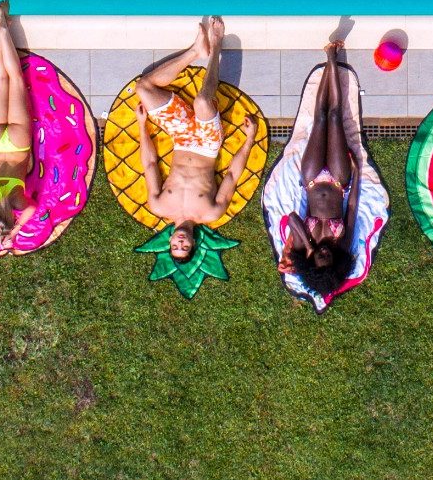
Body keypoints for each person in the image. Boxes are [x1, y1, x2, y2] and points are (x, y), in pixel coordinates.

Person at [135, 17, 259, 263]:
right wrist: (250, 139)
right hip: (206, 144)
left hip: (180, 137)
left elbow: (149, 165)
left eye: (175, 246)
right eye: (184, 247)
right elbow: (233, 176)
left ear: (169, 241)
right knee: (202, 101)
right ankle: (216, 45)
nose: (180, 243)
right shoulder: (211, 212)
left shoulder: (158, 206)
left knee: (143, 88)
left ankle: (196, 51)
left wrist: (142, 125)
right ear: (193, 243)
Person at [278, 40, 361, 297]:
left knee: (319, 119)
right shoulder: (342, 243)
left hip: (312, 179)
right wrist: (356, 173)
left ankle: (330, 63)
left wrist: (309, 246)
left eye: (319, 258)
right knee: (334, 116)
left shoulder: (304, 247)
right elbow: (353, 207)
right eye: (328, 257)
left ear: (312, 264)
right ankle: (331, 58)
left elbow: (291, 218)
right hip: (338, 180)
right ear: (335, 262)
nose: (324, 253)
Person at [0, 0, 39, 242]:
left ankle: (3, 31)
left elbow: (32, 209)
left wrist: (14, 230)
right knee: (0, 79)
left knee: (17, 80)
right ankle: (1, 30)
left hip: (18, 143)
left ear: (11, 216)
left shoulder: (17, 200)